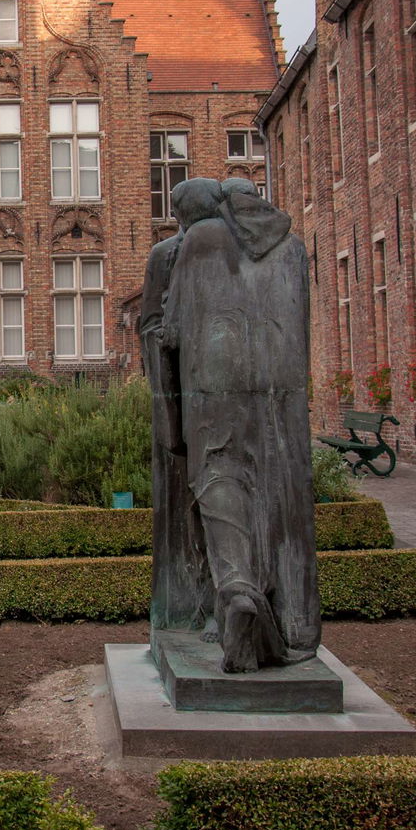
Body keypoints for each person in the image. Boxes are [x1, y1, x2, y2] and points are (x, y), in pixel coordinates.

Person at [160, 178, 320, 673]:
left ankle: (238, 591)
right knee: (284, 497)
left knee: (219, 484)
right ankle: (294, 623)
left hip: (214, 389)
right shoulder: (294, 249)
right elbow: (302, 327)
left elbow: (174, 331)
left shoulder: (201, 241)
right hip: (283, 394)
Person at [143, 179, 219, 635]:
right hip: (181, 402)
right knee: (188, 503)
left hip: (227, 399)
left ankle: (229, 598)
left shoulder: (230, 255)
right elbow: (151, 322)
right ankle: (191, 600)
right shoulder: (165, 256)